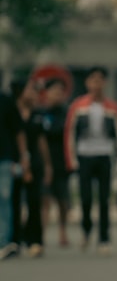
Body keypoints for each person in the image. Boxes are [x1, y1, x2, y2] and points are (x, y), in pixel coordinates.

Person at [65, 66, 117, 254]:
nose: (96, 84)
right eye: (93, 80)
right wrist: (72, 159)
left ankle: (104, 238)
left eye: (100, 80)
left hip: (104, 155)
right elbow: (70, 134)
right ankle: (86, 230)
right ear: (87, 83)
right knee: (85, 197)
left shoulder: (112, 108)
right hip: (84, 155)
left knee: (104, 199)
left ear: (105, 83)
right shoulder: (78, 106)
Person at [10, 78, 52, 258]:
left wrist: (48, 164)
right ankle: (14, 240)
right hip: (14, 162)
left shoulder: (37, 115)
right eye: (29, 90)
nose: (33, 93)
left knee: (34, 201)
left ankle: (35, 240)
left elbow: (42, 141)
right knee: (14, 202)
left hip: (34, 162)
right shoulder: (10, 113)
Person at [40, 78, 72, 247]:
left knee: (62, 201)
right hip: (44, 163)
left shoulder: (67, 114)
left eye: (61, 92)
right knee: (44, 199)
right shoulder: (41, 113)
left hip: (61, 163)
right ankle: (42, 234)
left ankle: (63, 232)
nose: (57, 95)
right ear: (47, 93)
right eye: (54, 91)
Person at [0, 85, 26, 260]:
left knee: (3, 200)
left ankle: (4, 242)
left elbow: (18, 130)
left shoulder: (6, 100)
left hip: (4, 158)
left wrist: (24, 156)